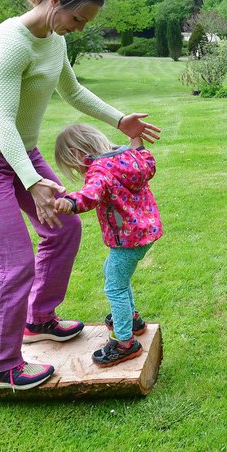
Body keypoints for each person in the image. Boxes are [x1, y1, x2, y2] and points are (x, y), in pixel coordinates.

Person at [0, 0, 161, 391]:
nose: (80, 28)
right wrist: (32, 181)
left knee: (64, 228)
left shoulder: (53, 40)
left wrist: (121, 121)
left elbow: (73, 90)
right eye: (77, 18)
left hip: (19, 154)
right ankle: (1, 364)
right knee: (12, 266)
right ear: (55, 1)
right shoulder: (11, 42)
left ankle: (38, 318)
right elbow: (3, 122)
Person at [54, 123, 163, 367]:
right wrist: (136, 140)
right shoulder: (129, 156)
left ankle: (125, 343)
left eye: (75, 167)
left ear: (77, 155)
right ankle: (131, 320)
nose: (79, 171)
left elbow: (91, 193)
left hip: (127, 239)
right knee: (115, 276)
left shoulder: (99, 169)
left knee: (114, 288)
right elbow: (149, 163)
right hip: (145, 231)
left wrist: (70, 202)